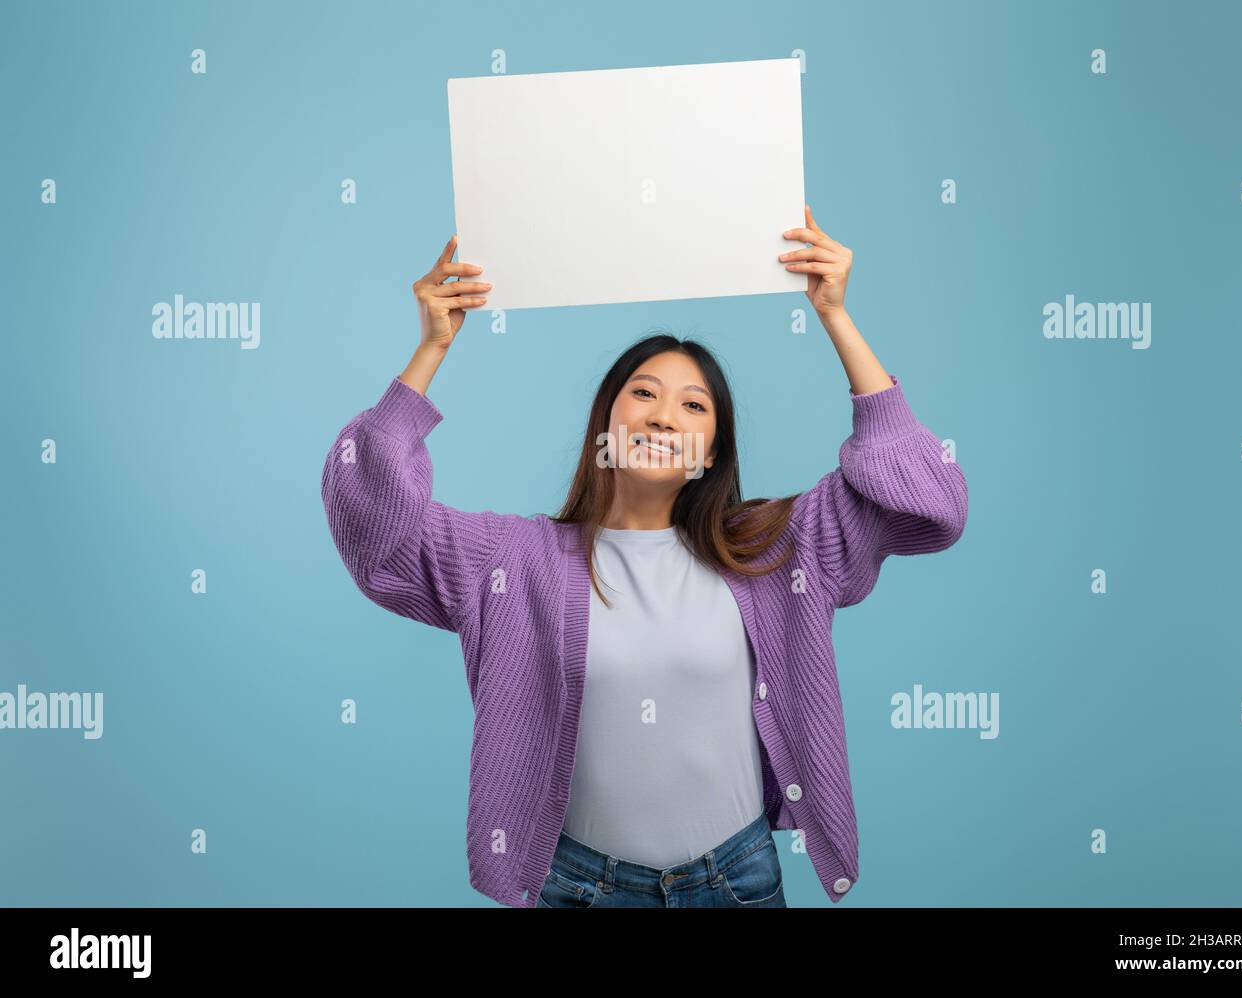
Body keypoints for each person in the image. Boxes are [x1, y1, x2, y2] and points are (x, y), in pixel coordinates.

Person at [320, 205, 968, 907]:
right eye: (644, 394)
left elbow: (929, 497)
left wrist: (837, 315)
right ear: (608, 420)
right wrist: (430, 351)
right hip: (579, 889)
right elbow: (370, 526)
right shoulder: (512, 561)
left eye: (694, 406)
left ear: (712, 451)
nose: (664, 415)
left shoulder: (777, 548)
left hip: (739, 883)